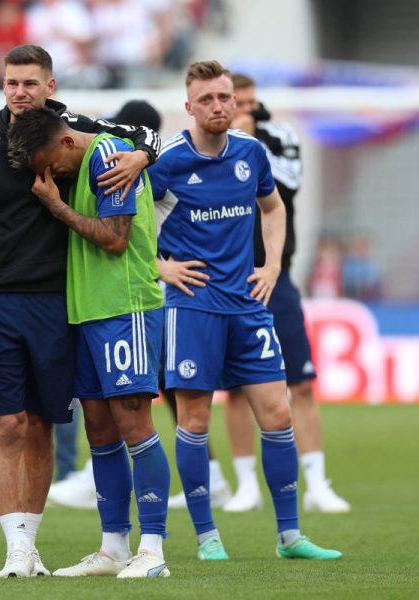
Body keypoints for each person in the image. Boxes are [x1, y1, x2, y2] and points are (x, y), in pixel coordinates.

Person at [0, 44, 159, 578]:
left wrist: (142, 155)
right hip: (1, 307)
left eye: (30, 83)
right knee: (10, 424)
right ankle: (19, 549)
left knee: (47, 424)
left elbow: (146, 135)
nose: (20, 92)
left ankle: (79, 546)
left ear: (50, 87)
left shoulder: (79, 131)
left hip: (66, 306)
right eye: (11, 83)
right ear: (3, 86)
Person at [148, 60, 341, 561]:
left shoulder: (252, 153)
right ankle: (208, 537)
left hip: (248, 306)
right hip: (192, 309)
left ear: (236, 102)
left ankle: (290, 537)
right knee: (193, 420)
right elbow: (124, 224)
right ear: (188, 107)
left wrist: (272, 264)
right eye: (206, 99)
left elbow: (273, 208)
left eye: (224, 98)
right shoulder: (167, 162)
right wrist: (160, 269)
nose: (217, 106)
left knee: (278, 414)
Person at [45, 99, 233, 512]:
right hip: (133, 292)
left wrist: (160, 266)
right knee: (161, 393)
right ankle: (209, 478)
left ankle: (196, 493)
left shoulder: (136, 166)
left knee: (160, 397)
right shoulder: (137, 161)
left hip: (144, 295)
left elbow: (135, 233)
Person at [8, 107, 171, 578]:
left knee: (133, 421)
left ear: (64, 144)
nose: (50, 175)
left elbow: (116, 240)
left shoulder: (108, 157)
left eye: (50, 164)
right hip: (88, 312)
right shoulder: (82, 161)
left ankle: (153, 550)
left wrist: (55, 206)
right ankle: (114, 547)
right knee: (98, 428)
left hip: (125, 307)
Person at [222, 73, 350, 513]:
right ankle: (244, 485)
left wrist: (249, 140)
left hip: (277, 277)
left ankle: (317, 482)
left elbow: (288, 186)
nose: (248, 109)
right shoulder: (210, 146)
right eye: (240, 102)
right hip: (229, 282)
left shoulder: (279, 137)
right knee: (236, 390)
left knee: (302, 382)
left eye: (252, 101)